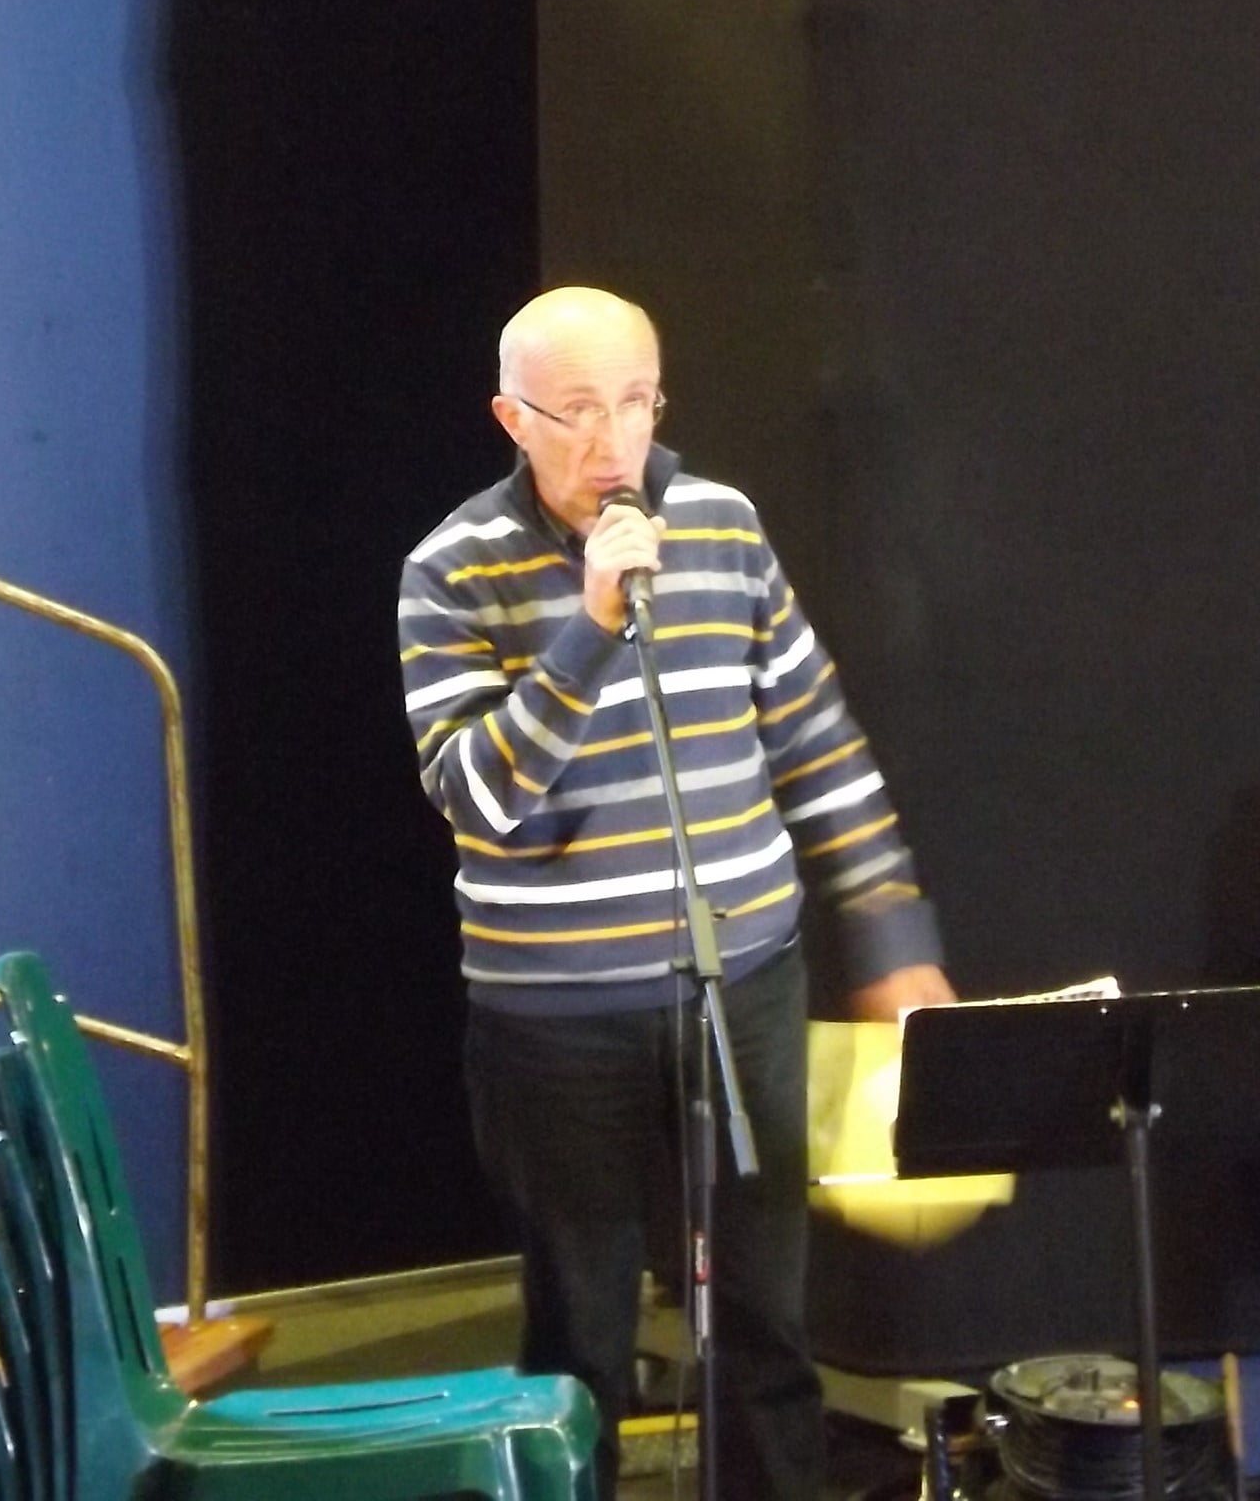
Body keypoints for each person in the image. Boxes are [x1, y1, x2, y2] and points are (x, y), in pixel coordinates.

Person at [399, 285, 954, 1501]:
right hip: (555, 1022)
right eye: (580, 410)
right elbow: (478, 799)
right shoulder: (450, 570)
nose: (614, 440)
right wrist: (591, 628)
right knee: (582, 1338)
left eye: (637, 402)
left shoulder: (723, 525)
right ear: (514, 417)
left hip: (741, 985)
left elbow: (818, 743)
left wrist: (892, 935)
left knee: (765, 1324)